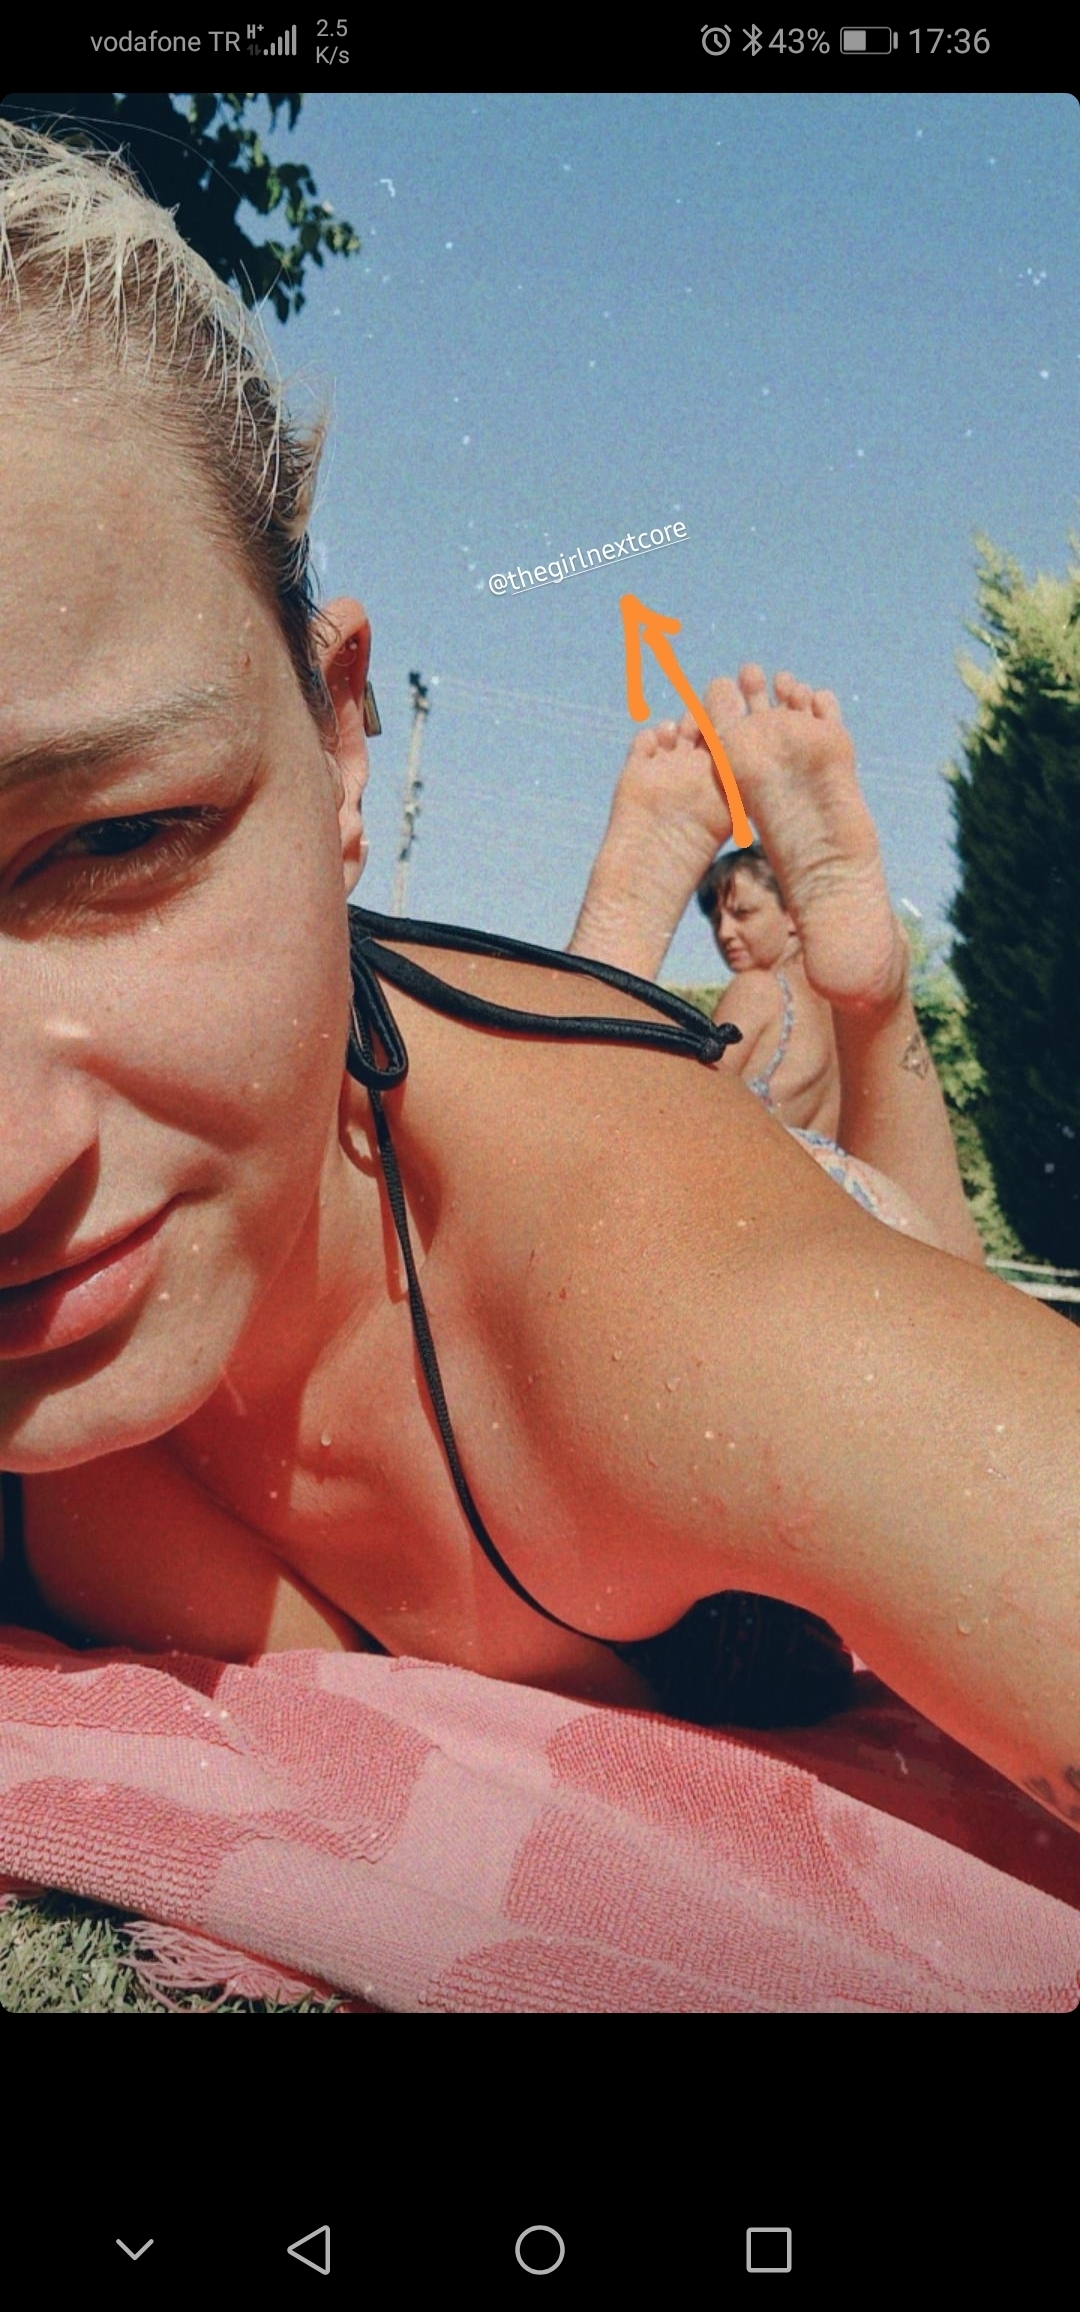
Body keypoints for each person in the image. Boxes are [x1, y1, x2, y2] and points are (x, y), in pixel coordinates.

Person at [1, 125, 1078, 1828]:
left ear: (340, 745)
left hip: (718, 1217)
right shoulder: (107, 1410)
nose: (10, 1168)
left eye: (117, 841)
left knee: (846, 1239)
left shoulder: (674, 1313)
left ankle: (831, 987)